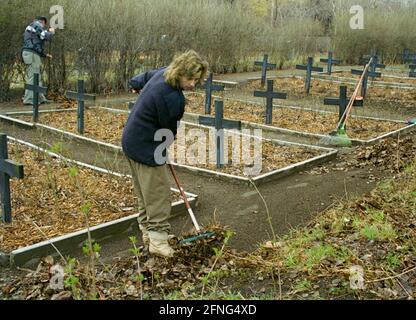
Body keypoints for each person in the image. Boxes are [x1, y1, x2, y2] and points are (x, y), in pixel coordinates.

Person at [122, 50, 208, 257]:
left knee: (146, 192)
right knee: (158, 195)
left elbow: (140, 78)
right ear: (179, 73)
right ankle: (158, 242)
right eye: (190, 78)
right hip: (145, 147)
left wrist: (136, 87)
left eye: (197, 80)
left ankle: (147, 233)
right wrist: (163, 147)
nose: (193, 84)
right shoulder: (173, 98)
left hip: (130, 141)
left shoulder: (163, 72)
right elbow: (167, 131)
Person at [22, 16, 55, 105]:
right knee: (33, 77)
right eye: (44, 24)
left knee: (37, 76)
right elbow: (45, 36)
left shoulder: (32, 27)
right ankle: (28, 100)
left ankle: (40, 98)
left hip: (33, 53)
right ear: (42, 22)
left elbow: (35, 44)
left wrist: (44, 55)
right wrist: (51, 32)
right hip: (32, 54)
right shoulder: (36, 24)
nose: (43, 26)